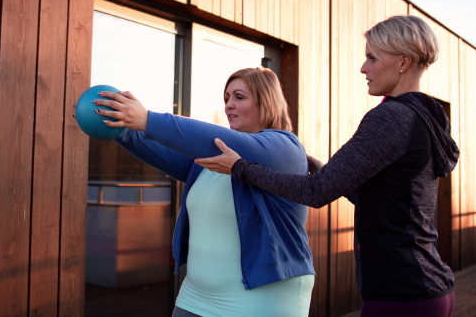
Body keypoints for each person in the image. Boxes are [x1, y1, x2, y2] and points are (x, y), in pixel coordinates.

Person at [195, 15, 459, 317]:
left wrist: (240, 167)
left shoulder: (391, 117)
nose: (364, 68)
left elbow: (316, 193)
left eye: (372, 58)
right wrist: (323, 168)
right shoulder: (424, 116)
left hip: (401, 293)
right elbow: (382, 199)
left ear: (404, 62)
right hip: (430, 287)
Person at [91, 67, 315, 316]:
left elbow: (231, 143)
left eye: (239, 97)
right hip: (196, 296)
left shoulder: (285, 148)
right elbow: (155, 147)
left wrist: (147, 119)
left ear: (267, 103)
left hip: (262, 298)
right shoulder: (211, 159)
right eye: (227, 98)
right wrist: (117, 124)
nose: (229, 105)